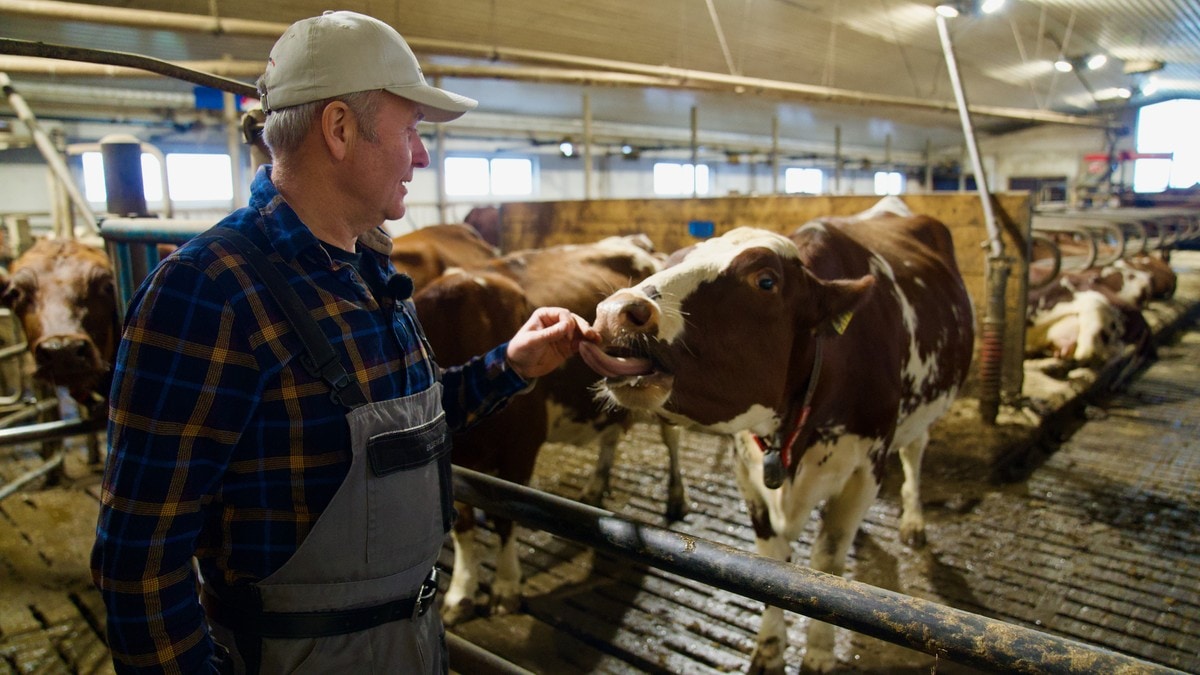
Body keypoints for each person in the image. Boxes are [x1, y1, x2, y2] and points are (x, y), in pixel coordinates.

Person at [91, 11, 595, 674]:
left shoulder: (366, 273)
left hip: (411, 643)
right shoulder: (206, 293)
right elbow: (139, 567)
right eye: (410, 129)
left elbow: (407, 420)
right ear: (338, 128)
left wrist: (510, 364)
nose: (420, 154)